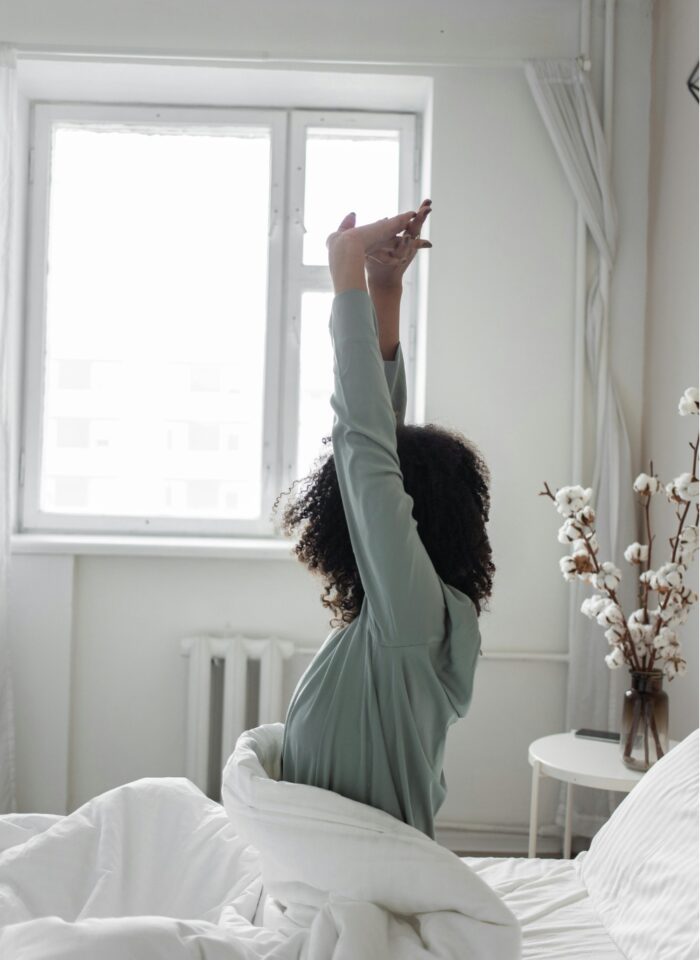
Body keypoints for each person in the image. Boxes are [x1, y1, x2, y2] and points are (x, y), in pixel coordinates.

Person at [273, 202, 494, 839]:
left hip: (350, 874)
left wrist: (345, 277)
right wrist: (385, 294)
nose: (359, 497)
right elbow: (382, 450)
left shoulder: (411, 612)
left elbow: (368, 451)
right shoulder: (414, 613)